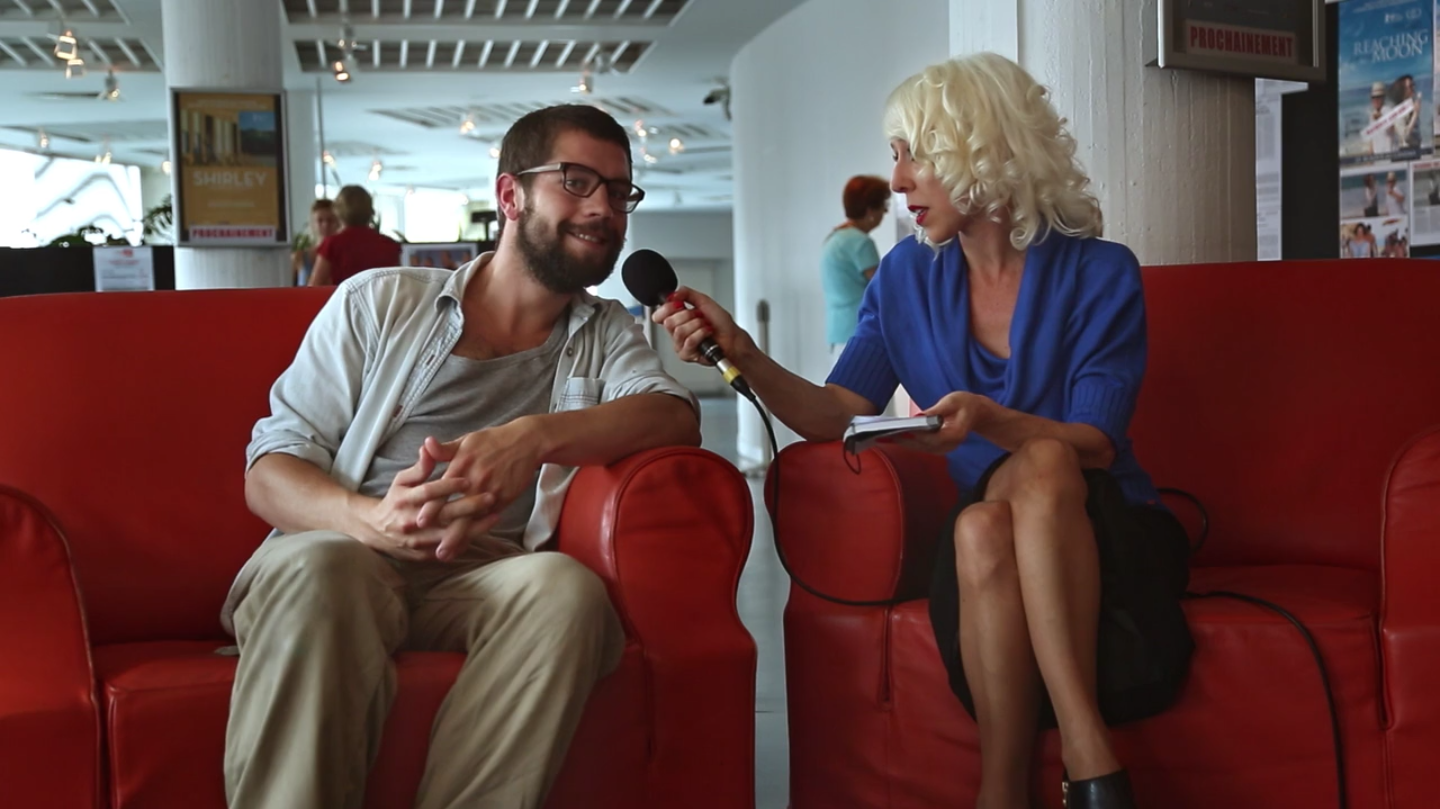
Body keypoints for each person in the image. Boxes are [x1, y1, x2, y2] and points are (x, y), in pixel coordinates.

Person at [656, 53, 1191, 809]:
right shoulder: (905, 275)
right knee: (982, 526)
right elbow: (837, 409)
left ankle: (1043, 768)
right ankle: (1086, 773)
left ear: (986, 150)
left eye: (918, 154)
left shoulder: (1100, 270)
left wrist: (989, 418)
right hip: (990, 531)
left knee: (1040, 466)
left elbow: (1095, 443)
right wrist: (743, 351)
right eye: (896, 155)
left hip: (1106, 525)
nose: (899, 179)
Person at [222, 103, 701, 809]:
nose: (603, 207)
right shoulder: (379, 302)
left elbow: (673, 414)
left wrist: (531, 436)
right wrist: (370, 520)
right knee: (326, 570)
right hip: (341, 553)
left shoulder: (605, 331)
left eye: (618, 190)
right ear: (510, 195)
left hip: (479, 577)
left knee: (567, 591)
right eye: (576, 181)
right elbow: (269, 472)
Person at [821, 175, 890, 359]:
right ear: (870, 210)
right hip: (859, 332)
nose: (886, 212)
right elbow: (882, 289)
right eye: (883, 206)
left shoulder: (834, 239)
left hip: (838, 332)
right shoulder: (861, 243)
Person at [308, 185, 402, 286]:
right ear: (370, 211)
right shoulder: (390, 245)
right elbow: (398, 285)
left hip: (343, 296)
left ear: (338, 211)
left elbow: (314, 287)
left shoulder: (332, 244)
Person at [292, 198, 340, 286]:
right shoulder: (299, 257)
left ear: (338, 223)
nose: (325, 225)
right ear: (312, 224)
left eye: (330, 220)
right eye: (320, 220)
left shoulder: (344, 256)